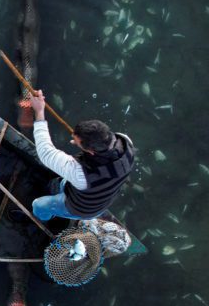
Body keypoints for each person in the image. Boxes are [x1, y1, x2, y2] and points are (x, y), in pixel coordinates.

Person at [26, 89, 135, 222]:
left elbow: (46, 153)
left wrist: (39, 111)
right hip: (100, 195)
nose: (73, 142)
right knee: (60, 183)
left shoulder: (81, 174)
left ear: (91, 152)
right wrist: (80, 142)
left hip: (82, 209)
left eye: (77, 143)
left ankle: (40, 219)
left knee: (38, 205)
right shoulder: (125, 142)